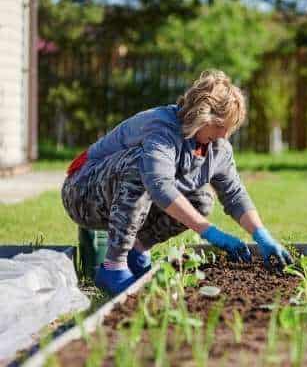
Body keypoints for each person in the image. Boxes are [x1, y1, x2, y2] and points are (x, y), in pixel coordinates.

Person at [62, 69, 292, 294]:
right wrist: (209, 232)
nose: (225, 135)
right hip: (83, 192)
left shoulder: (217, 147)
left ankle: (137, 251)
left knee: (201, 199)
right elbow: (159, 186)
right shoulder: (162, 128)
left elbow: (234, 194)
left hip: (123, 200)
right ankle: (114, 266)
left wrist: (262, 236)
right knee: (140, 164)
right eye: (221, 126)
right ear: (204, 115)